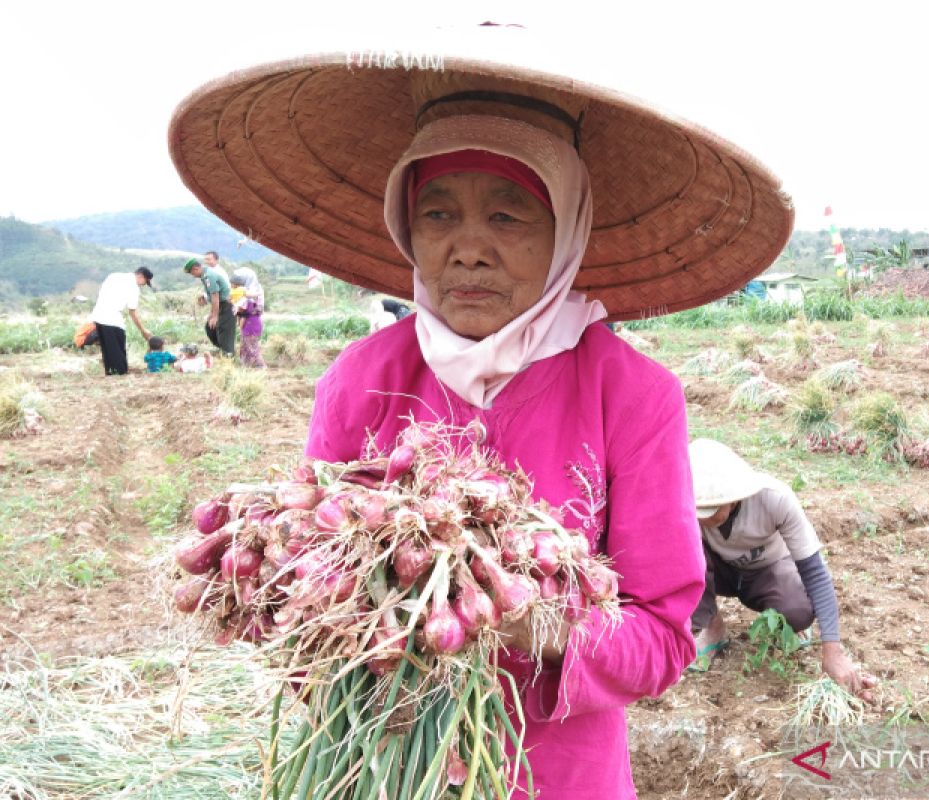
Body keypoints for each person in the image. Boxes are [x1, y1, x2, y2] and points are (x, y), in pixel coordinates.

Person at [169, 50, 793, 800]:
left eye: (507, 213)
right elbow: (304, 616)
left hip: (562, 779)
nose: (466, 246)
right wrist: (289, 584)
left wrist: (540, 622)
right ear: (406, 225)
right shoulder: (361, 381)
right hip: (380, 767)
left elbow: (664, 639)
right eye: (438, 213)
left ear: (566, 229)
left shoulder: (632, 394)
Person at [688, 438, 877, 700]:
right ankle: (713, 627)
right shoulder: (686, 506)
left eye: (711, 510)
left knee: (797, 610)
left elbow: (815, 572)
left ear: (734, 498)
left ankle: (789, 622)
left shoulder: (774, 498)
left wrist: (833, 651)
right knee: (682, 553)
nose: (702, 518)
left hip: (767, 572)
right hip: (718, 572)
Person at [90, 267, 154, 375]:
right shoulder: (133, 288)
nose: (143, 285)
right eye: (145, 282)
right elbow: (132, 312)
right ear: (141, 276)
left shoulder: (113, 276)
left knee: (107, 350)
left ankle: (110, 373)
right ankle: (120, 374)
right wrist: (143, 331)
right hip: (112, 319)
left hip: (98, 316)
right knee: (118, 351)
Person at [184, 256, 236, 357]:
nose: (193, 275)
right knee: (210, 328)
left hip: (226, 305)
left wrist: (215, 316)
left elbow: (215, 295)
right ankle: (223, 352)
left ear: (196, 268)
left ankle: (228, 357)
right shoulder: (205, 276)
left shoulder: (209, 276)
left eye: (192, 272)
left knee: (224, 332)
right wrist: (212, 314)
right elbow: (212, 298)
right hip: (220, 305)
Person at [231, 271, 267, 368]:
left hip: (251, 322)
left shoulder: (251, 293)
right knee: (245, 345)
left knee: (251, 346)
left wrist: (238, 309)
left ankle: (260, 366)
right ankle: (246, 365)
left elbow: (246, 308)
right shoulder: (246, 292)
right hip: (250, 322)